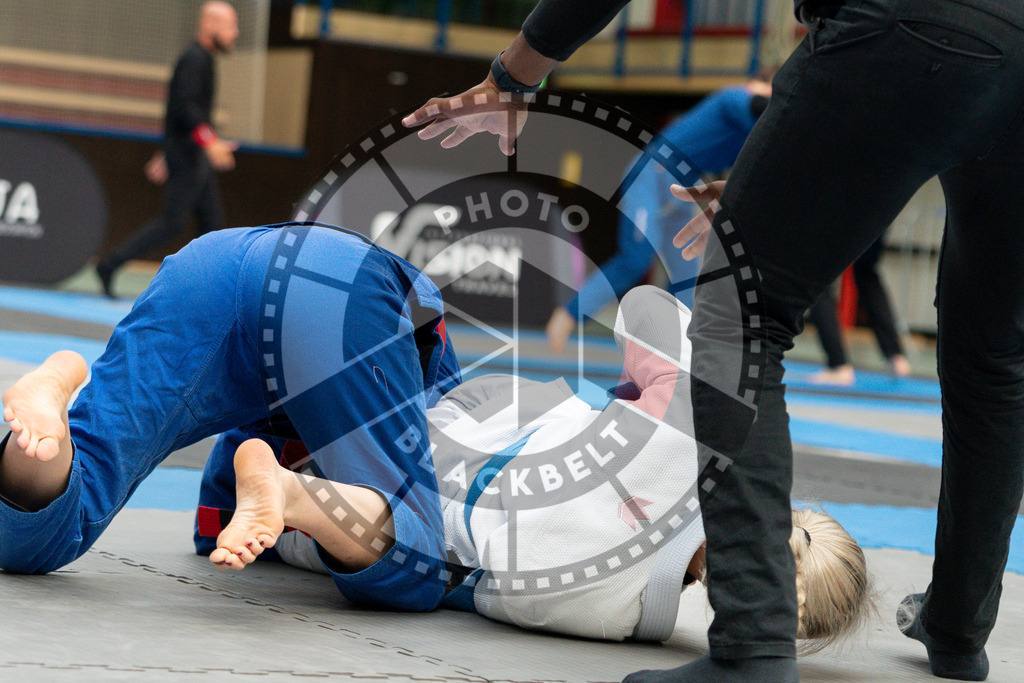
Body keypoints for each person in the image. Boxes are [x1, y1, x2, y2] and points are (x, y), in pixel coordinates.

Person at [402, 0, 1024, 680]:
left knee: (741, 315)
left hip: (911, 27)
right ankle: (959, 628)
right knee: (994, 362)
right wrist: (776, 184)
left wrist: (513, 74)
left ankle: (752, 644)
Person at [193, 286, 869, 651]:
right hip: (387, 501)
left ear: (790, 509)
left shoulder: (693, 439)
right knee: (418, 561)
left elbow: (644, 311)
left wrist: (645, 397)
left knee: (389, 311)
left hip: (444, 413)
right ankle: (289, 491)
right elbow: (467, 588)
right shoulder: (626, 621)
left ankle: (278, 467)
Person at [1, 222, 460, 611]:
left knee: (29, 541)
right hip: (333, 280)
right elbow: (448, 491)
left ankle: (55, 421)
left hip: (205, 268)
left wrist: (261, 495)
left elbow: (219, 518)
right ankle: (295, 493)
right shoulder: (453, 391)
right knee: (418, 566)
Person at [545, 81, 771, 353]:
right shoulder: (736, 98)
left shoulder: (760, 130)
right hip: (652, 176)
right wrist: (782, 99)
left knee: (687, 274)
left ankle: (671, 349)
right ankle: (568, 315)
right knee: (636, 259)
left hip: (684, 190)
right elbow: (760, 105)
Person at [95, 1, 240, 298]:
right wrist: (207, 140)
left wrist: (176, 147)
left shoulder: (204, 59)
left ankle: (203, 292)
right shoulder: (194, 59)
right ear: (210, 26)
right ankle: (110, 264)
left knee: (211, 224)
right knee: (175, 222)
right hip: (188, 154)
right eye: (230, 27)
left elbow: (183, 111)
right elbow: (184, 109)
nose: (235, 33)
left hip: (190, 152)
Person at [807, 234, 912, 384]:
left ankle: (838, 364)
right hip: (878, 214)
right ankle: (895, 356)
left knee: (819, 275)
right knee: (866, 272)